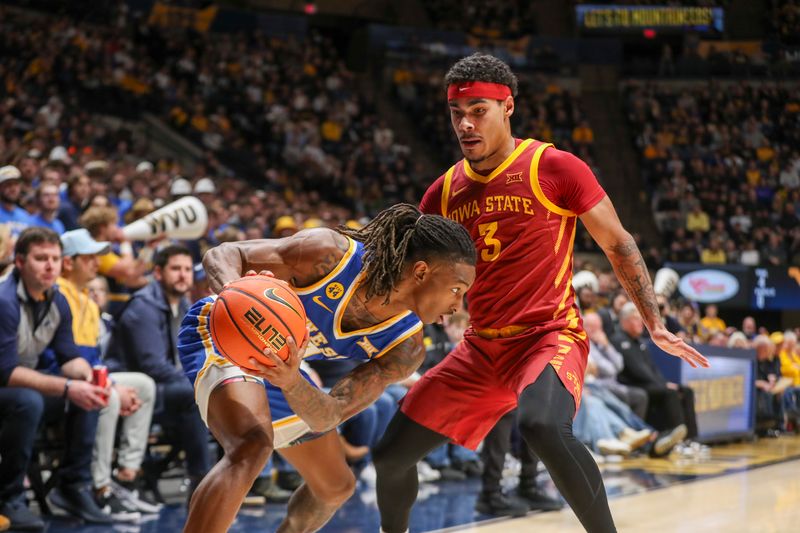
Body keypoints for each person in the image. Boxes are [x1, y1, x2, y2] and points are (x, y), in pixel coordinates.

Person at [371, 53, 708, 533]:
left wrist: (654, 322)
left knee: (543, 426)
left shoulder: (553, 166)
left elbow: (618, 243)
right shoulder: (441, 195)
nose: (465, 124)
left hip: (549, 337)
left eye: (479, 111)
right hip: (482, 348)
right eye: (456, 114)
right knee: (389, 457)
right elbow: (414, 278)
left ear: (508, 107)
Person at [177, 203, 476, 533]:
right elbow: (224, 253)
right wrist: (236, 294)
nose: (457, 306)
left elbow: (329, 414)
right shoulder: (328, 254)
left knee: (336, 486)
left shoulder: (407, 348)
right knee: (252, 444)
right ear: (421, 272)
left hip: (283, 365)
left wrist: (292, 382)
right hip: (225, 333)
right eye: (456, 290)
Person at [0, 227, 111, 531]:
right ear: (20, 262)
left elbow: (69, 356)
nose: (50, 266)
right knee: (28, 401)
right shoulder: (4, 301)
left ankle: (73, 486)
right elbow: (6, 372)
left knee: (88, 395)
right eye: (41, 258)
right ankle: (9, 497)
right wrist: (66, 387)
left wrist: (92, 378)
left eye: (55, 258)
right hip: (7, 385)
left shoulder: (57, 301)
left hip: (20, 386)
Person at [57, 229, 159, 520]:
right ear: (68, 262)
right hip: (61, 378)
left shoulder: (88, 301)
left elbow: (93, 359)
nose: (96, 264)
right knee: (109, 397)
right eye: (89, 258)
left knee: (144, 385)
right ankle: (99, 487)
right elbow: (65, 358)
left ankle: (127, 475)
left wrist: (111, 381)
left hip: (85, 374)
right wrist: (112, 386)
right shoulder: (59, 294)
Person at [109, 245, 211, 500]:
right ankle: (203, 482)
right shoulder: (143, 307)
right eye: (175, 268)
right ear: (157, 273)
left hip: (165, 387)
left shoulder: (184, 304)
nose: (183, 275)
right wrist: (200, 382)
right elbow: (152, 365)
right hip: (135, 390)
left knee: (221, 390)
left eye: (187, 269)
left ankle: (221, 479)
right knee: (195, 395)